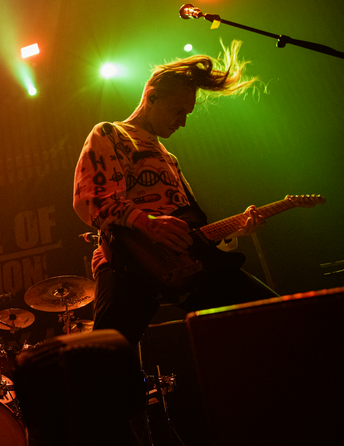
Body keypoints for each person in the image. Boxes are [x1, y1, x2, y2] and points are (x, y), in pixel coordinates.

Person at [73, 41, 278, 346]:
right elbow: (93, 200)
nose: (182, 121)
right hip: (127, 261)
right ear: (151, 97)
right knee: (108, 353)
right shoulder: (111, 133)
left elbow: (190, 223)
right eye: (177, 110)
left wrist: (235, 229)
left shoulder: (169, 157)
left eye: (187, 113)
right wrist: (149, 224)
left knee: (275, 313)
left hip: (186, 263)